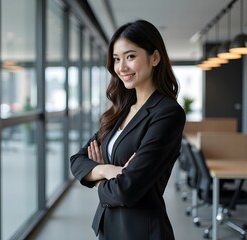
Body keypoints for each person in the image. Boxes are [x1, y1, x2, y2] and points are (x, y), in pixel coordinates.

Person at [70, 19, 186, 240]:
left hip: (141, 232)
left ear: (155, 57)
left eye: (130, 56)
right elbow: (77, 160)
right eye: (116, 59)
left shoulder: (168, 113)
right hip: (109, 226)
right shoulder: (121, 110)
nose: (121, 67)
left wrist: (96, 180)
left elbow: (127, 190)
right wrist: (106, 170)